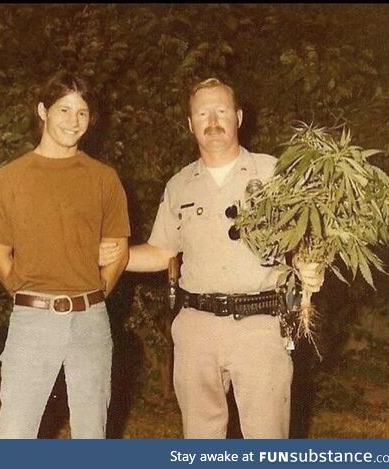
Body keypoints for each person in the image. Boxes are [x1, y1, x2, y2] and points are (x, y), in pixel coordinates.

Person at [100, 78, 323, 438]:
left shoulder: (275, 174)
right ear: (190, 124)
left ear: (237, 117)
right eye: (202, 113)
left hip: (260, 325)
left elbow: (306, 237)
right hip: (195, 329)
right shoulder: (179, 185)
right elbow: (161, 252)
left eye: (221, 111)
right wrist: (115, 256)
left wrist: (310, 265)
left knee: (267, 442)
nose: (213, 120)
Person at [0, 70, 130, 439]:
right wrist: (27, 293)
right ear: (42, 111)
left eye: (82, 112)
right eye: (64, 110)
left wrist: (95, 294)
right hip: (32, 320)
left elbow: (119, 251)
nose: (73, 121)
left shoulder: (103, 178)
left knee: (91, 433)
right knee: (16, 431)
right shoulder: (10, 177)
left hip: (90, 322)